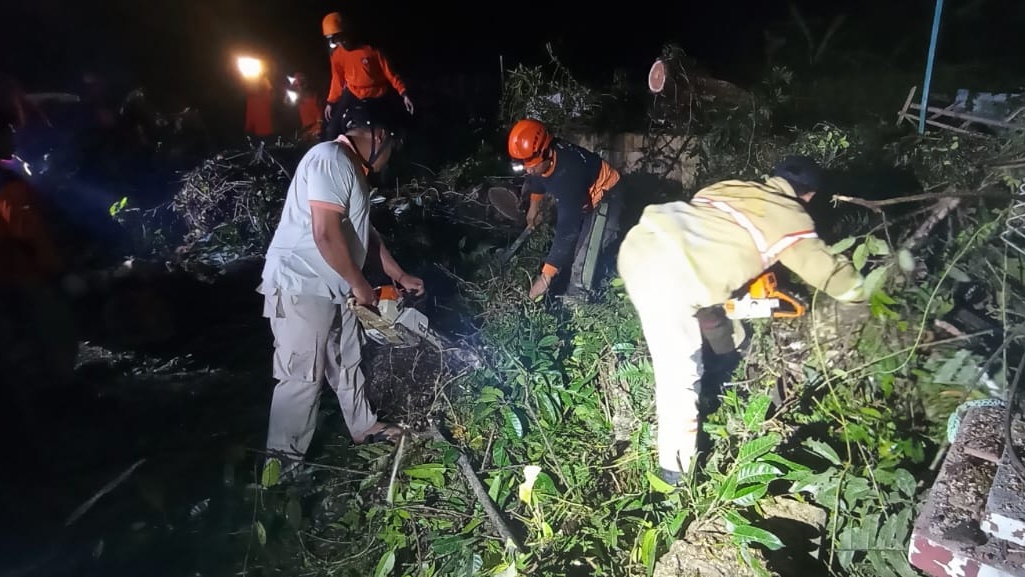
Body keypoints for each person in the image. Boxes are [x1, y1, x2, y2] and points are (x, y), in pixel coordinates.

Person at [616, 156, 867, 484]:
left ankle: (726, 359)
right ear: (809, 195)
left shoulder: (730, 186)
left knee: (711, 309)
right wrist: (865, 295)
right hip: (670, 277)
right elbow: (829, 273)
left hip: (639, 243)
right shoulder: (790, 216)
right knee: (678, 376)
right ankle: (675, 474)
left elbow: (712, 237)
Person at [257, 107, 423, 480]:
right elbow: (326, 233)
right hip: (302, 284)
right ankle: (281, 470)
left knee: (347, 359)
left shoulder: (353, 171)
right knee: (302, 377)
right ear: (377, 136)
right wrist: (360, 284)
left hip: (333, 286)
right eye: (391, 147)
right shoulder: (330, 159)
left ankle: (363, 427)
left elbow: (364, 232)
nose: (389, 158)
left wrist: (397, 274)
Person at [507, 118, 624, 300]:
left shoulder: (568, 173)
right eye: (524, 165)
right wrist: (534, 207)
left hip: (607, 196)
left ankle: (578, 305)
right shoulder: (543, 161)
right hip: (583, 199)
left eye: (531, 165)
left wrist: (545, 278)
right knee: (568, 255)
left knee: (582, 262)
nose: (528, 171)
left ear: (545, 152)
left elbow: (567, 230)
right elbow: (537, 178)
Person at [321, 11, 413, 141]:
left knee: (394, 126)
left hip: (378, 92)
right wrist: (331, 102)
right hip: (353, 91)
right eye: (336, 40)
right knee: (331, 129)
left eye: (342, 37)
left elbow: (389, 72)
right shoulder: (336, 54)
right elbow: (337, 79)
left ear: (348, 32)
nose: (342, 42)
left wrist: (403, 93)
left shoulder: (371, 49)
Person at [288, 73, 322, 141]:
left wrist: (312, 133)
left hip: (314, 133)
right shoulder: (298, 99)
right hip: (305, 133)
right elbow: (286, 102)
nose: (298, 86)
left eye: (299, 83)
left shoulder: (315, 98)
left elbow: (320, 121)